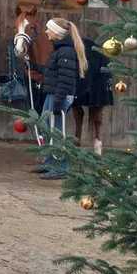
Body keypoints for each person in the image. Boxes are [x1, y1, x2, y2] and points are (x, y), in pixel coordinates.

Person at [38, 18, 88, 180]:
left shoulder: (65, 52)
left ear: (57, 33)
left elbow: (65, 80)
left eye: (49, 29)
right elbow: (54, 72)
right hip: (54, 94)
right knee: (47, 127)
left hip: (58, 96)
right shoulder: (60, 51)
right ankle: (50, 163)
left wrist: (58, 102)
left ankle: (61, 167)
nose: (46, 32)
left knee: (56, 131)